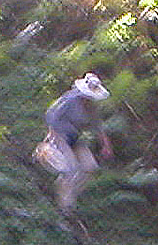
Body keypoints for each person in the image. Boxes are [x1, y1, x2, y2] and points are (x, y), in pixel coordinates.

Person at [34, 72, 113, 215]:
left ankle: (68, 193)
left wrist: (106, 145)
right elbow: (51, 114)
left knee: (90, 167)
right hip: (59, 135)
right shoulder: (69, 100)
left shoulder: (92, 108)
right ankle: (64, 207)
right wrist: (53, 134)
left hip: (75, 138)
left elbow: (98, 126)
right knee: (71, 168)